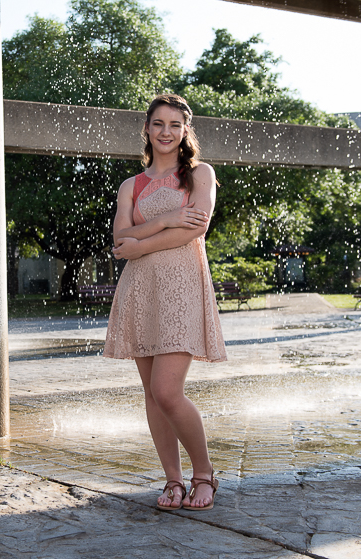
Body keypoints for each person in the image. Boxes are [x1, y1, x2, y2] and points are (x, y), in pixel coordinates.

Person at [103, 93, 227, 511]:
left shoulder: (200, 174)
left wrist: (140, 243)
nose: (167, 132)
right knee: (152, 395)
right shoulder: (130, 185)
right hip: (140, 290)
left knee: (167, 390)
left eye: (175, 125)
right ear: (147, 128)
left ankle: (204, 475)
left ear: (185, 130)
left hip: (182, 287)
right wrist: (164, 219)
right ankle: (173, 481)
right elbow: (121, 239)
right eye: (159, 124)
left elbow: (195, 229)